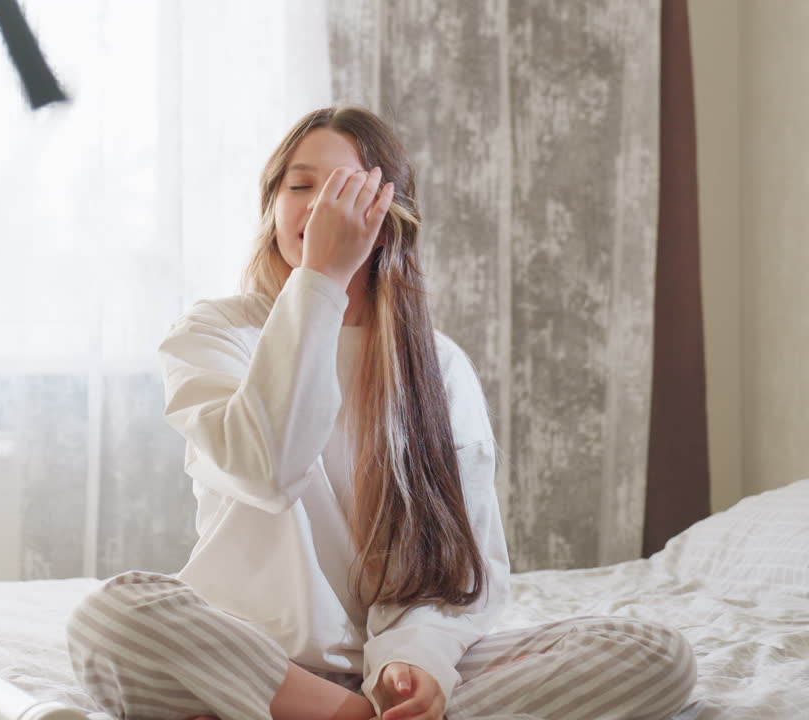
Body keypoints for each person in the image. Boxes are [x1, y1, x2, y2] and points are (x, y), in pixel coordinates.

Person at [65, 106, 697, 720]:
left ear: (389, 212)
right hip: (251, 656)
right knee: (110, 618)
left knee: (653, 655)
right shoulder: (215, 333)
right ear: (272, 206)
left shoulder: (436, 364)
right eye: (300, 185)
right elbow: (268, 470)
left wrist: (416, 665)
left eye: (344, 189)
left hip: (383, 663)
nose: (317, 206)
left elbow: (463, 568)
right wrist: (321, 281)